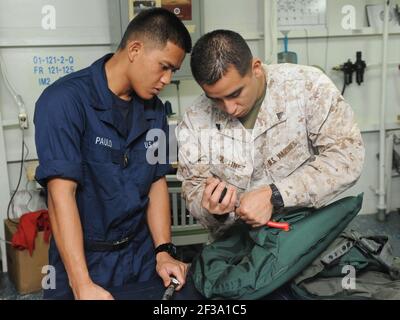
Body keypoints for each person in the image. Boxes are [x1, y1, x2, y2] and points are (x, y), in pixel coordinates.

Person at [34, 8, 192, 300]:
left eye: (173, 71)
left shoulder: (155, 110)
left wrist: (163, 251)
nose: (167, 79)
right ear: (135, 49)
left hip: (140, 255)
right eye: (164, 66)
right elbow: (61, 196)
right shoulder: (63, 102)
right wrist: (81, 284)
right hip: (83, 259)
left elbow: (156, 182)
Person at [176, 30, 365, 236]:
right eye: (215, 99)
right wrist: (213, 210)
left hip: (303, 232)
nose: (229, 108)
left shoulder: (308, 87)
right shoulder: (196, 119)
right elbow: (193, 187)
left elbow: (346, 158)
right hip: (236, 243)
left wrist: (275, 195)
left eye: (235, 94)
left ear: (255, 69)